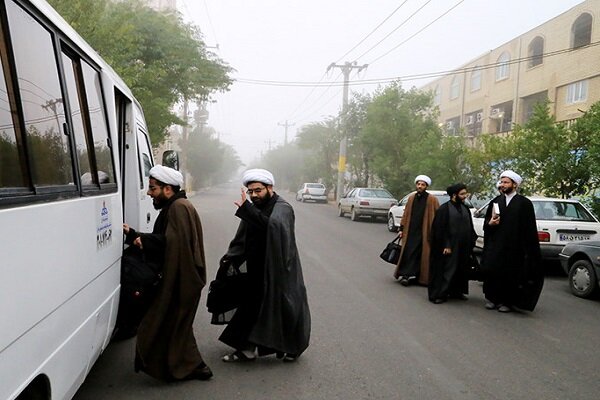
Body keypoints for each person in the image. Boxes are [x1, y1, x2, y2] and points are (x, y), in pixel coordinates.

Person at [122, 165, 212, 381]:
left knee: (167, 322)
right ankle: (191, 366)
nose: (149, 193)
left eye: (153, 189)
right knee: (175, 326)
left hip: (180, 279)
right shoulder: (175, 206)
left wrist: (143, 240)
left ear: (168, 189)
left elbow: (174, 244)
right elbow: (167, 239)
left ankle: (191, 367)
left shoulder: (179, 208)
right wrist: (134, 234)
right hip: (178, 278)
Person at [217, 168, 311, 362]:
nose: (254, 195)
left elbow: (273, 227)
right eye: (250, 192)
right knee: (252, 307)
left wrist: (246, 210)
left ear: (270, 188)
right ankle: (247, 348)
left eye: (258, 190)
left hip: (279, 268)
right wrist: (232, 256)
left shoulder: (282, 207)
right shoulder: (255, 207)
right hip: (256, 268)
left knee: (287, 307)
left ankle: (293, 347)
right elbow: (245, 235)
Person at [481, 170, 544, 313]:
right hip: (496, 245)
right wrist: (490, 223)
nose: (502, 185)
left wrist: (528, 250)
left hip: (514, 248)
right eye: (501, 182)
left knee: (510, 274)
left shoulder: (524, 203)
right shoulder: (496, 201)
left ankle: (507, 302)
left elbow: (529, 229)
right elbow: (487, 225)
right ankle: (492, 298)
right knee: (493, 271)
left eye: (506, 182)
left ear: (514, 185)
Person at [428, 183, 477, 304]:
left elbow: (469, 226)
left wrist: (472, 241)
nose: (465, 196)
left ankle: (457, 291)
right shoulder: (444, 209)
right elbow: (439, 230)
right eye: (462, 194)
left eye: (465, 193)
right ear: (454, 195)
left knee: (461, 269)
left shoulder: (465, 208)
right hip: (449, 246)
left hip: (463, 246)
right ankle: (440, 294)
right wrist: (446, 245)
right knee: (447, 270)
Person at [394, 175, 440, 286]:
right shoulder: (411, 198)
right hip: (410, 231)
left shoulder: (432, 199)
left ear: (426, 186)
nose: (420, 186)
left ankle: (421, 277)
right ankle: (406, 275)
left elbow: (438, 216)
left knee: (422, 255)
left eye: (422, 185)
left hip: (425, 232)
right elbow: (406, 214)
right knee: (409, 253)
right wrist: (402, 228)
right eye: (418, 184)